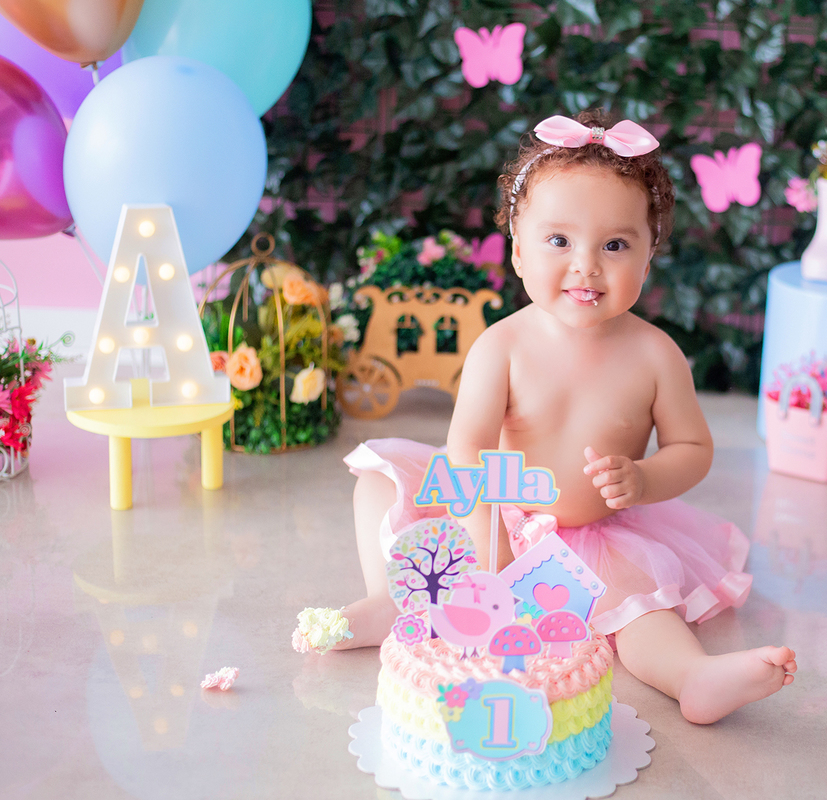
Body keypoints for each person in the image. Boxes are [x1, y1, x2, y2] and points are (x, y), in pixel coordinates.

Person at [295, 110, 796, 724]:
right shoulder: (500, 347)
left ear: (647, 258)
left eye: (614, 245)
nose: (586, 265)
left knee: (639, 604)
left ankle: (693, 678)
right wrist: (485, 550)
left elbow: (693, 447)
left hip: (588, 536)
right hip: (489, 513)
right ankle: (387, 599)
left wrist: (644, 479)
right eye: (559, 241)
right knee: (380, 476)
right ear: (519, 254)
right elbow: (467, 453)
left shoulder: (655, 355)